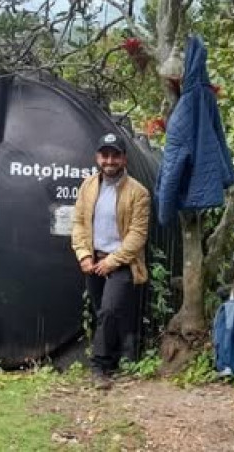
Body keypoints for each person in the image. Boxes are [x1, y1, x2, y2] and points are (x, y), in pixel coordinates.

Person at [71, 132, 150, 389]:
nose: (109, 161)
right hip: (94, 261)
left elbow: (138, 235)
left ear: (124, 159)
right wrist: (83, 254)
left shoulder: (138, 192)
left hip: (122, 264)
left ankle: (99, 367)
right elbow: (80, 223)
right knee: (102, 313)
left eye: (115, 155)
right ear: (98, 158)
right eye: (105, 155)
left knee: (109, 310)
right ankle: (114, 358)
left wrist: (113, 261)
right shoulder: (88, 186)